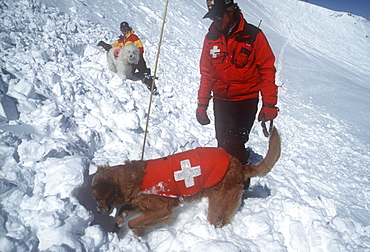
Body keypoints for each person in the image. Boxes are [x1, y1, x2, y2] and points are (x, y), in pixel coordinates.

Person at [196, 0, 279, 188]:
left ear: (231, 10)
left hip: (245, 101)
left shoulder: (253, 36)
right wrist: (202, 104)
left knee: (234, 145)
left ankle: (237, 186)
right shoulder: (211, 38)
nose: (216, 20)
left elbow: (267, 69)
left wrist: (269, 104)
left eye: (220, 15)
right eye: (213, 16)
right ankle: (225, 174)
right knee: (222, 142)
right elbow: (206, 73)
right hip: (220, 100)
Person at [98, 22, 156, 92]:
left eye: (125, 28)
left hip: (137, 60)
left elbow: (140, 48)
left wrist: (137, 56)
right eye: (122, 29)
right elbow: (113, 46)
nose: (124, 30)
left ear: (128, 28)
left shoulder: (133, 37)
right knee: (130, 76)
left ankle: (153, 89)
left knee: (145, 74)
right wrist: (105, 46)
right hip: (128, 62)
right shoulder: (121, 40)